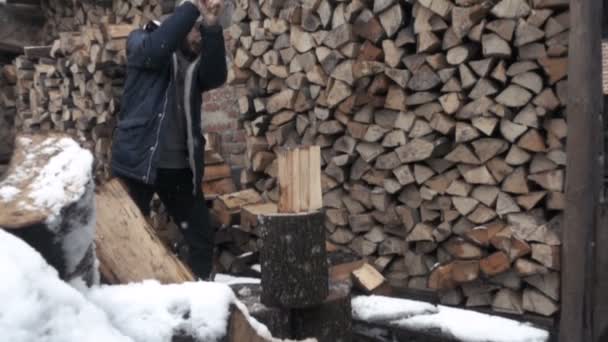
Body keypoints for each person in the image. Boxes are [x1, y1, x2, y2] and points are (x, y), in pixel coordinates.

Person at [110, 0, 227, 280]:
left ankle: (201, 301)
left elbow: (216, 76)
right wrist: (192, 7)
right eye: (195, 28)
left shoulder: (194, 62)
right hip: (138, 162)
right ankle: (125, 300)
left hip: (178, 168)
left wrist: (211, 26)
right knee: (126, 238)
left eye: (201, 29)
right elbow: (155, 52)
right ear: (180, 24)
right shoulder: (141, 40)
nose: (199, 34)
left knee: (200, 237)